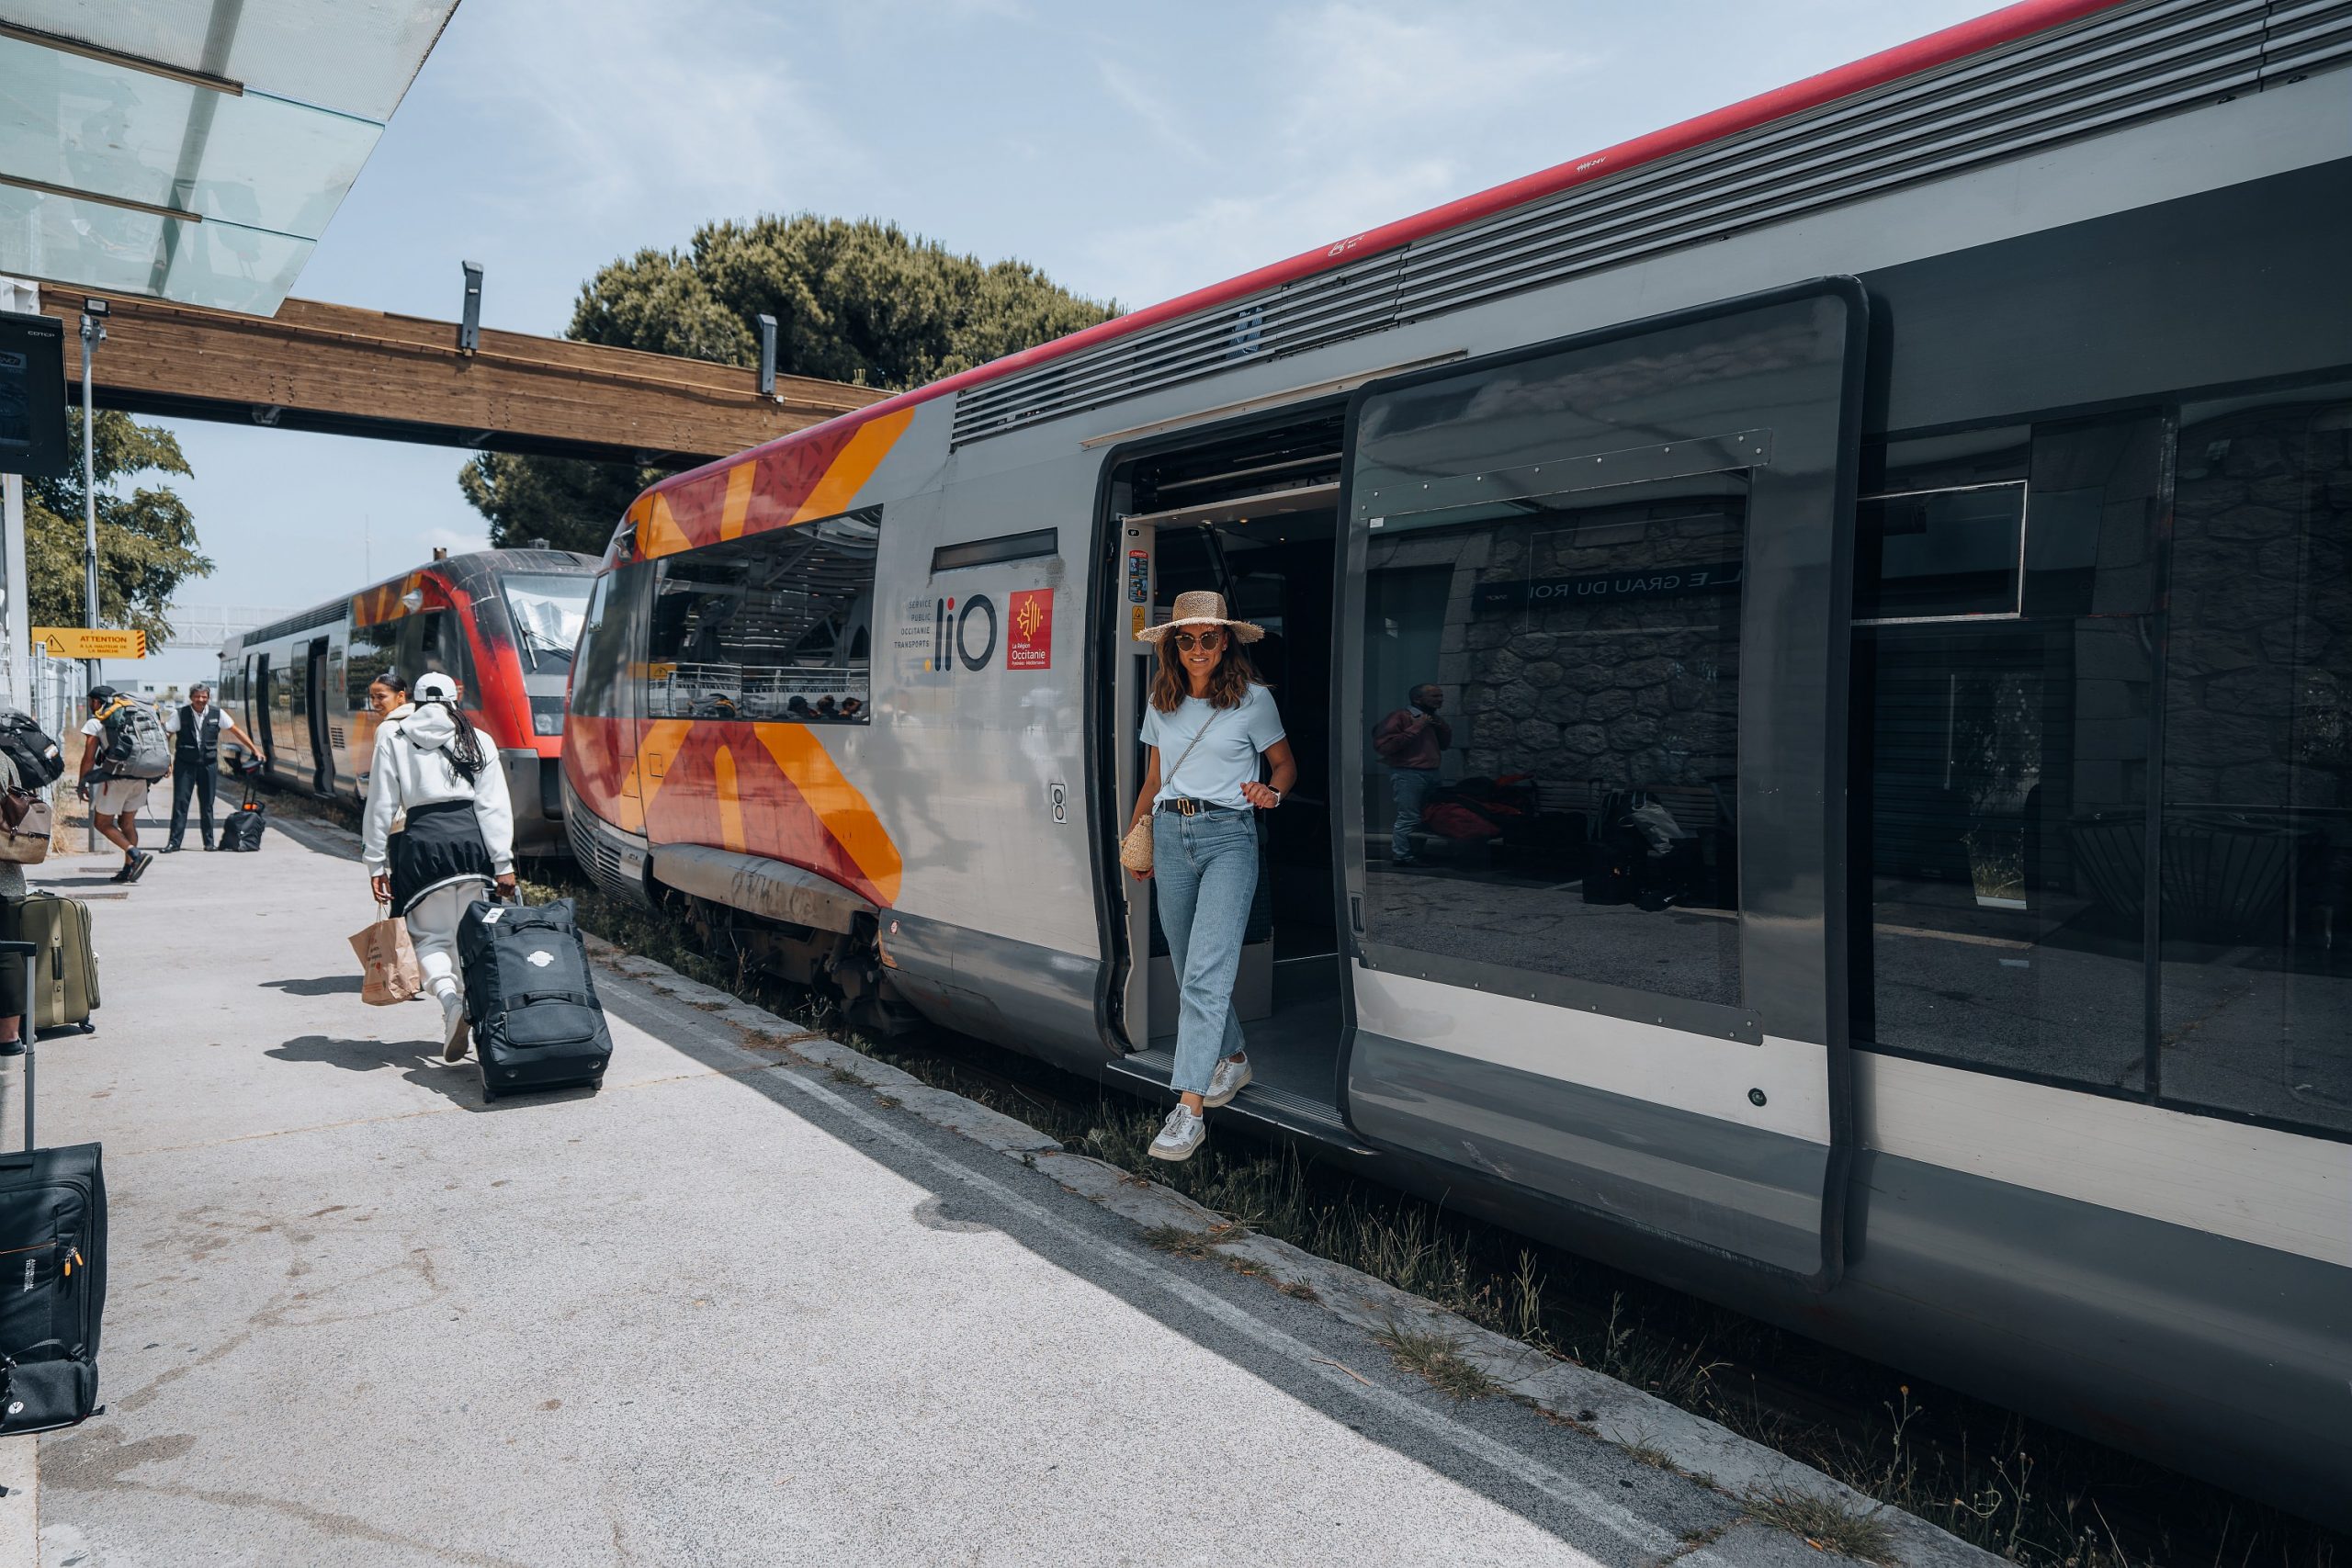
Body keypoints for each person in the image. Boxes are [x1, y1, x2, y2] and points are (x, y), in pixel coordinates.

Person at [1122, 590, 1296, 1163]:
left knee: (1204, 974)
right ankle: (1236, 1061)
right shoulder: (1162, 701)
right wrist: (1136, 839)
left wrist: (1272, 792)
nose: (1198, 648)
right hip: (1171, 834)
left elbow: (1284, 765)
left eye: (1209, 638)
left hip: (1230, 837)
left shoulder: (1252, 701)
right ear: (1174, 646)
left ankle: (1188, 1110)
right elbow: (1153, 779)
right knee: (1185, 968)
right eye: (1187, 639)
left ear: (1226, 642)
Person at [360, 672, 515, 1063]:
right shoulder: (477, 739)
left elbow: (381, 804)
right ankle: (481, 1023)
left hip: (421, 846)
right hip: (472, 847)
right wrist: (504, 863)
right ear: (453, 700)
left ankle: (450, 1006)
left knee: (429, 939)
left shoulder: (395, 737)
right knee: (472, 938)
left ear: (412, 699)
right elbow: (493, 805)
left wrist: (375, 862)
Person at [161, 682, 262, 852]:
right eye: (197, 696)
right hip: (185, 765)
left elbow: (236, 731)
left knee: (207, 804)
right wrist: (166, 761)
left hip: (208, 764)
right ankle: (174, 842)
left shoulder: (217, 713)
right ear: (191, 697)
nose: (201, 700)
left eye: (204, 697)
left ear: (208, 697)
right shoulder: (179, 714)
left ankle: (209, 843)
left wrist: (255, 750)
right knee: (180, 803)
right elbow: (167, 736)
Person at [75, 686, 155, 884]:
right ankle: (129, 869)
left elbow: (89, 757)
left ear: (96, 702)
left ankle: (134, 854)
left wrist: (82, 781)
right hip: (140, 777)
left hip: (115, 779)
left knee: (101, 823)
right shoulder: (134, 718)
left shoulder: (97, 722)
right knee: (127, 823)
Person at [1372, 683, 1451, 866]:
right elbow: (1385, 746)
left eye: (1441, 696)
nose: (1440, 700)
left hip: (1432, 772)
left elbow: (1445, 745)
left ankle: (1416, 853)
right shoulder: (1400, 717)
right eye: (1434, 696)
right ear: (1417, 699)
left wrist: (1441, 727)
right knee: (1409, 816)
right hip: (1408, 773)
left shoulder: (1433, 719)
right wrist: (1416, 727)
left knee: (1427, 816)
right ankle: (1402, 856)